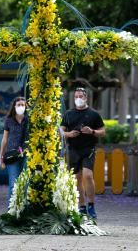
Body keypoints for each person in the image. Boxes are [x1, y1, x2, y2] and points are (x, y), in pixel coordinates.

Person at [60, 87, 104, 219]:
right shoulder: (68, 114)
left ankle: (91, 205)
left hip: (88, 148)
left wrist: (92, 131)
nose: (78, 99)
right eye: (76, 96)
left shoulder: (94, 114)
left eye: (81, 96)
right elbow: (61, 131)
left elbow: (103, 132)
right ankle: (82, 206)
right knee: (77, 179)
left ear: (86, 98)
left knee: (88, 175)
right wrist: (69, 134)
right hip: (73, 149)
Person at [0, 96, 28, 206]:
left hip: (26, 155)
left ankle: (23, 208)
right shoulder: (9, 120)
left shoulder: (29, 120)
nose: (21, 107)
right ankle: (11, 210)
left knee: (25, 183)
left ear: (26, 107)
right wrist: (1, 156)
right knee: (13, 183)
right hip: (12, 155)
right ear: (14, 107)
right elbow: (4, 139)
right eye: (18, 105)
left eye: (23, 105)